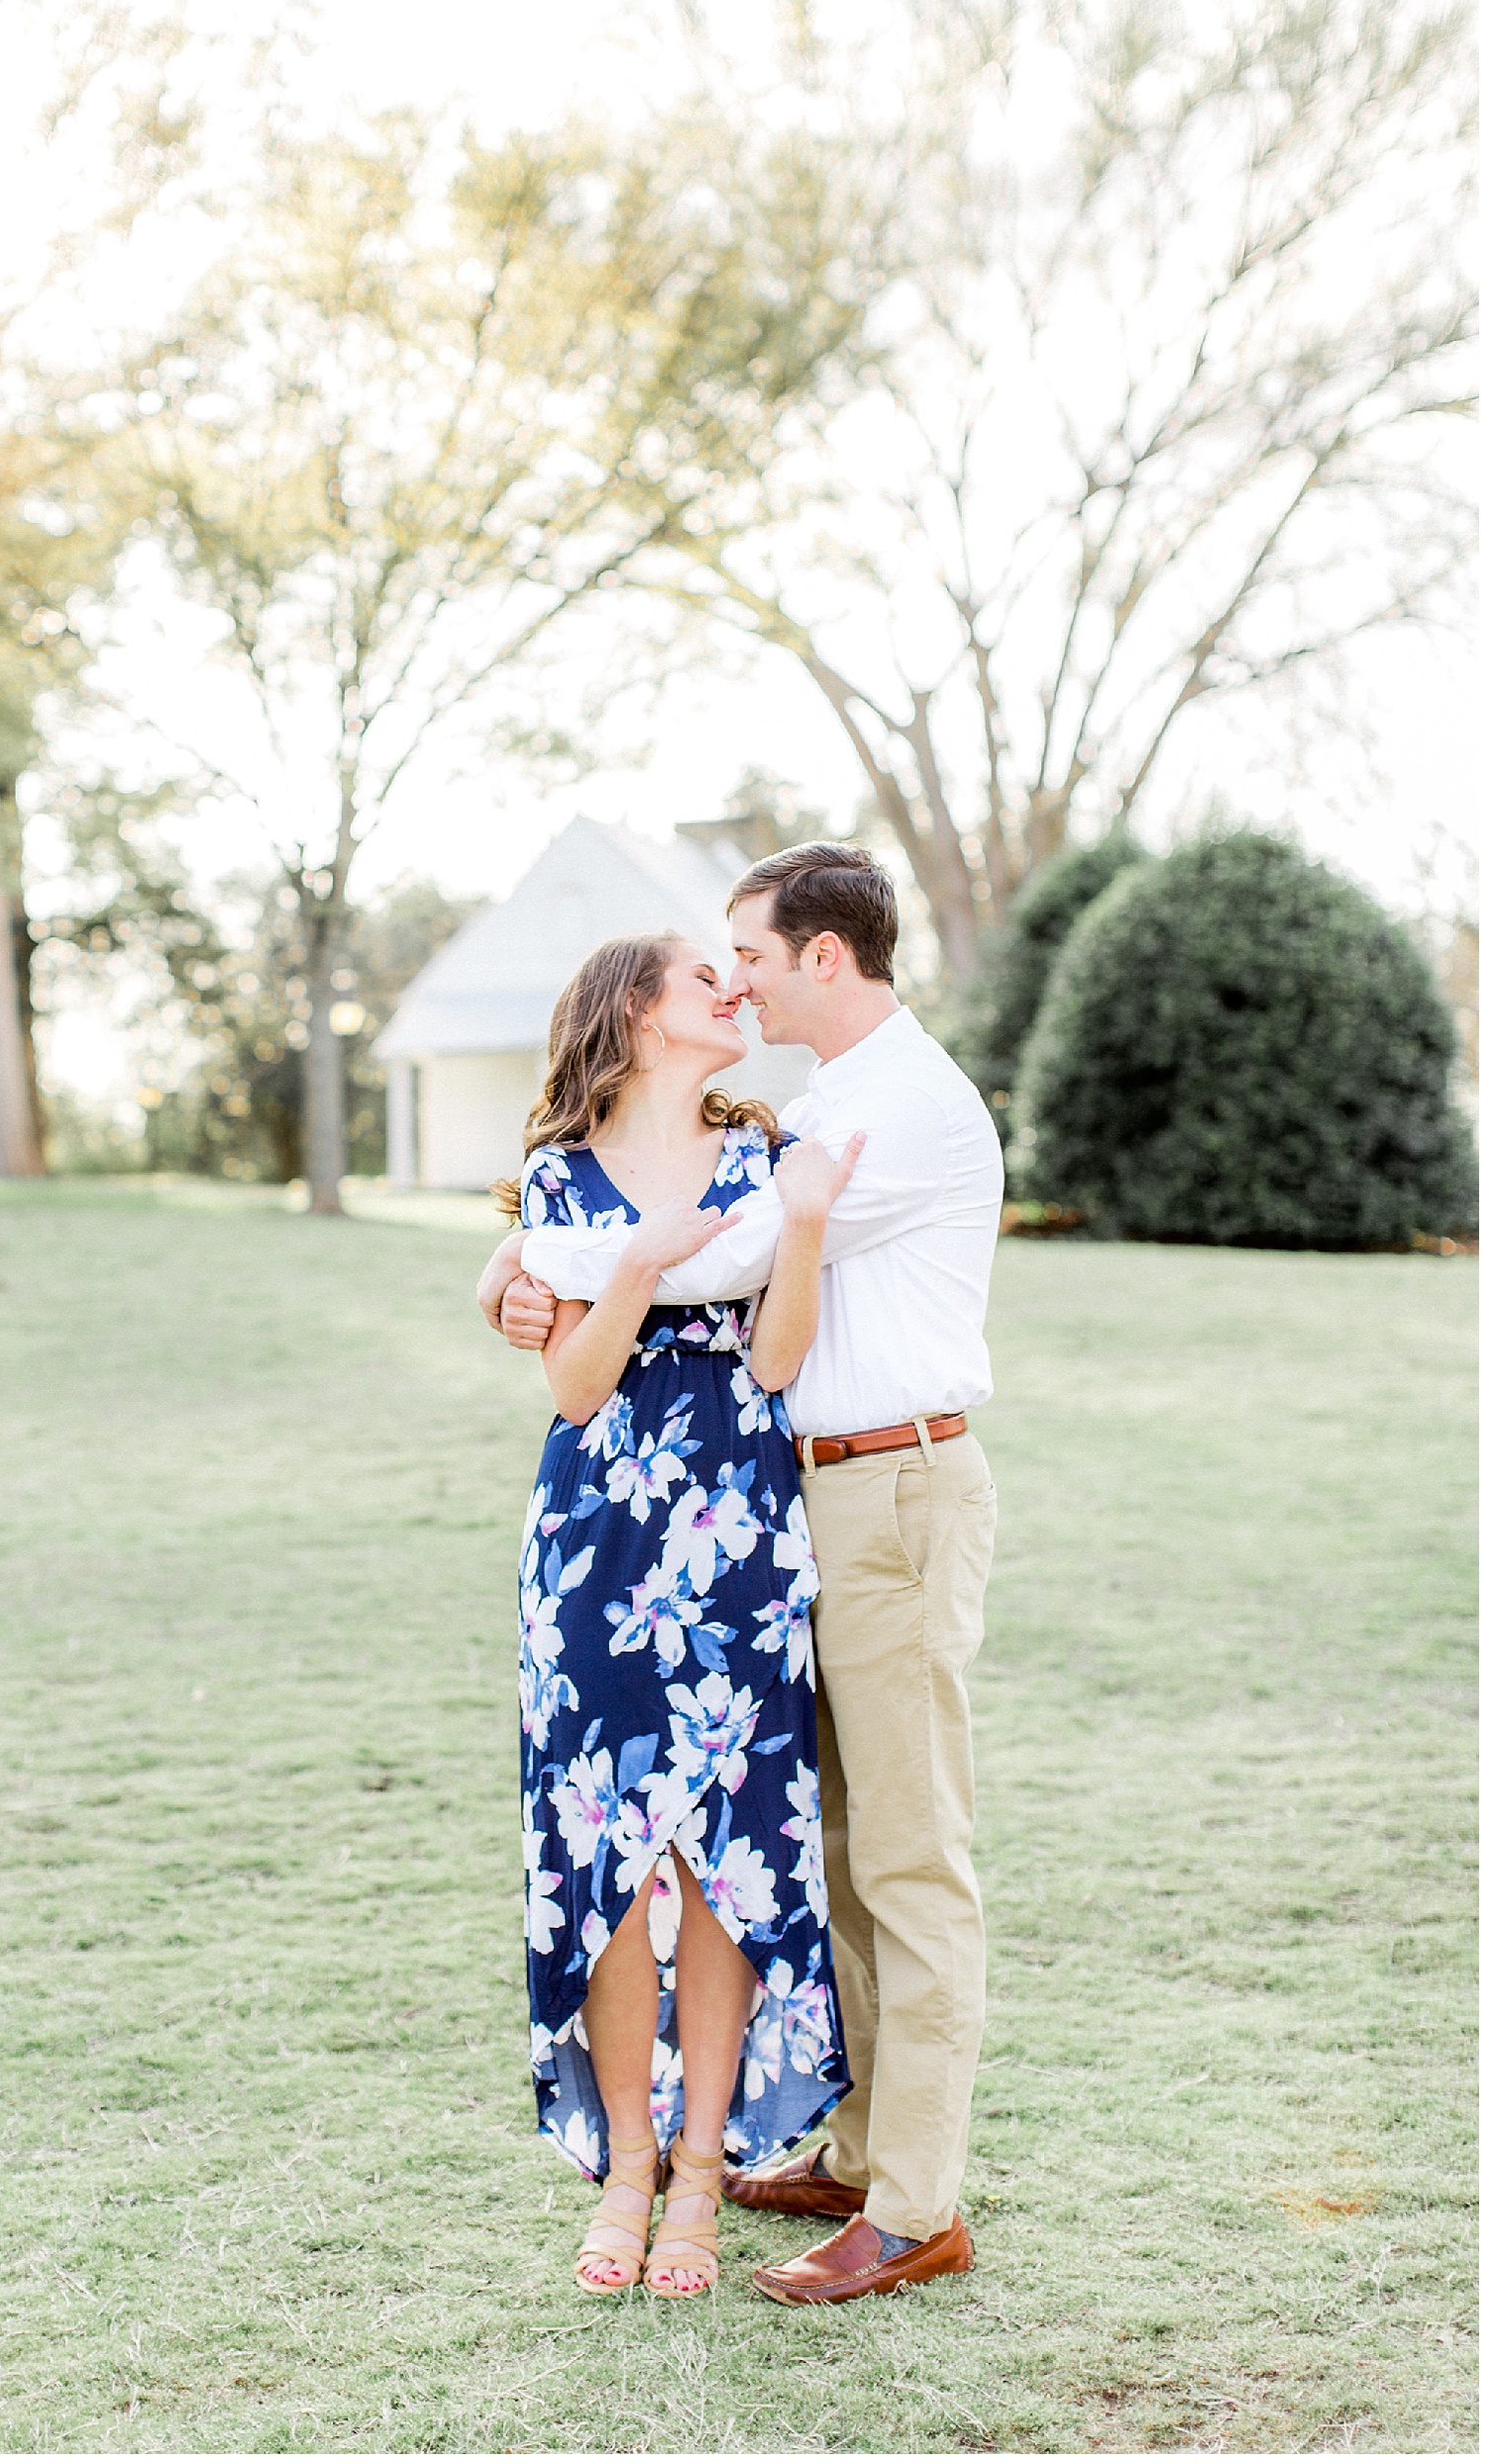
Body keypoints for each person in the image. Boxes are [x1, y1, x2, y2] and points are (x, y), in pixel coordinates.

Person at [479, 843, 1004, 2306]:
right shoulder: (819, 1105)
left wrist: (533, 1262)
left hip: (862, 1493)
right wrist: (523, 1260)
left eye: (752, 960)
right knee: (820, 1842)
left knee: (890, 1853)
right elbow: (610, 1309)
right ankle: (842, 2153)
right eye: (712, 972)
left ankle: (909, 2204)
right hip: (769, 1506)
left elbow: (725, 1271)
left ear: (822, 956)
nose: (739, 986)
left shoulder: (877, 1115)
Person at [481, 929, 862, 2298]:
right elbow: (575, 1387)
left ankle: (702, 2167)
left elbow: (777, 1356)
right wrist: (640, 1264)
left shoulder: (765, 1158)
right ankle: (628, 2169)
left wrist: (802, 1226)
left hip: (740, 1539)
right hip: (593, 1548)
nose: (733, 989)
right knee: (604, 1849)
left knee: (723, 1858)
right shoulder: (558, 1180)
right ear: (639, 1015)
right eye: (705, 978)